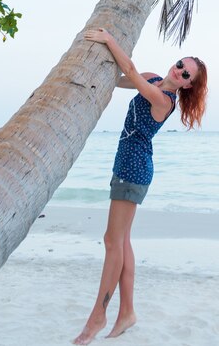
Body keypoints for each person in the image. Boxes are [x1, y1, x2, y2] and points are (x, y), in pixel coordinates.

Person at [73, 27, 208, 344]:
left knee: (112, 242)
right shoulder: (151, 79)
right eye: (180, 63)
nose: (179, 70)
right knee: (122, 242)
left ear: (189, 84)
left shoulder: (164, 100)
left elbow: (129, 70)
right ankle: (126, 314)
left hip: (134, 170)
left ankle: (98, 317)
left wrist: (109, 38)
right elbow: (122, 77)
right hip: (125, 166)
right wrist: (98, 63)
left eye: (186, 73)